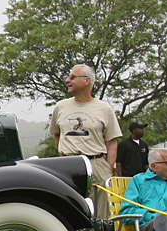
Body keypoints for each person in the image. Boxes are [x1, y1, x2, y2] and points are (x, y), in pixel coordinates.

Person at [48, 64, 121, 217]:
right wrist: (64, 155)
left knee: (101, 217)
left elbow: (112, 141)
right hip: (68, 164)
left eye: (72, 77)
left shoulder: (104, 108)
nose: (68, 80)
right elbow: (56, 134)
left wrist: (107, 167)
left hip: (97, 164)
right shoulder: (61, 106)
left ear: (87, 81)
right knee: (68, 211)